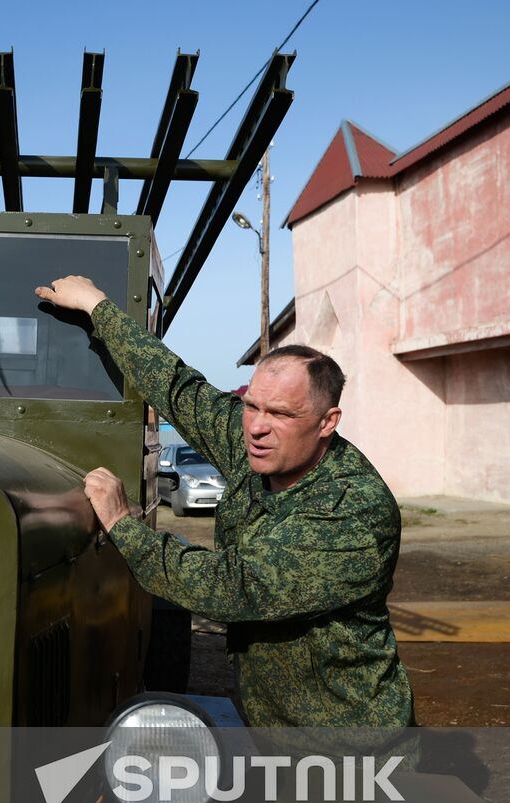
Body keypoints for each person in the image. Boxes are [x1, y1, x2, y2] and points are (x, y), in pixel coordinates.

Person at [34, 275, 414, 729]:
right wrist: (98, 306)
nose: (255, 426)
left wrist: (121, 524)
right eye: (252, 405)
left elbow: (231, 588)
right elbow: (178, 389)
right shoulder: (259, 442)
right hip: (271, 724)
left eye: (280, 414)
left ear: (327, 421)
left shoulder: (351, 511)